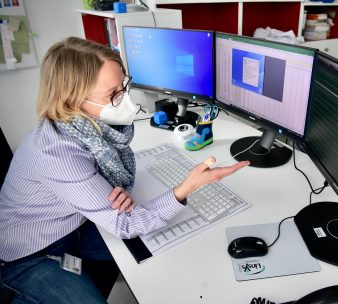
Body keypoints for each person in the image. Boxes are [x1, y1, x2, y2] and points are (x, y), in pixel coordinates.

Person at [0, 37, 249, 303]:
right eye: (113, 94)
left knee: (169, 247)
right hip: (30, 252)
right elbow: (126, 223)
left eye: (123, 85)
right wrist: (187, 187)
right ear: (72, 99)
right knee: (151, 232)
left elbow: (110, 188)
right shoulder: (56, 153)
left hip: (76, 223)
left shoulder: (89, 128)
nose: (126, 99)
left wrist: (107, 190)